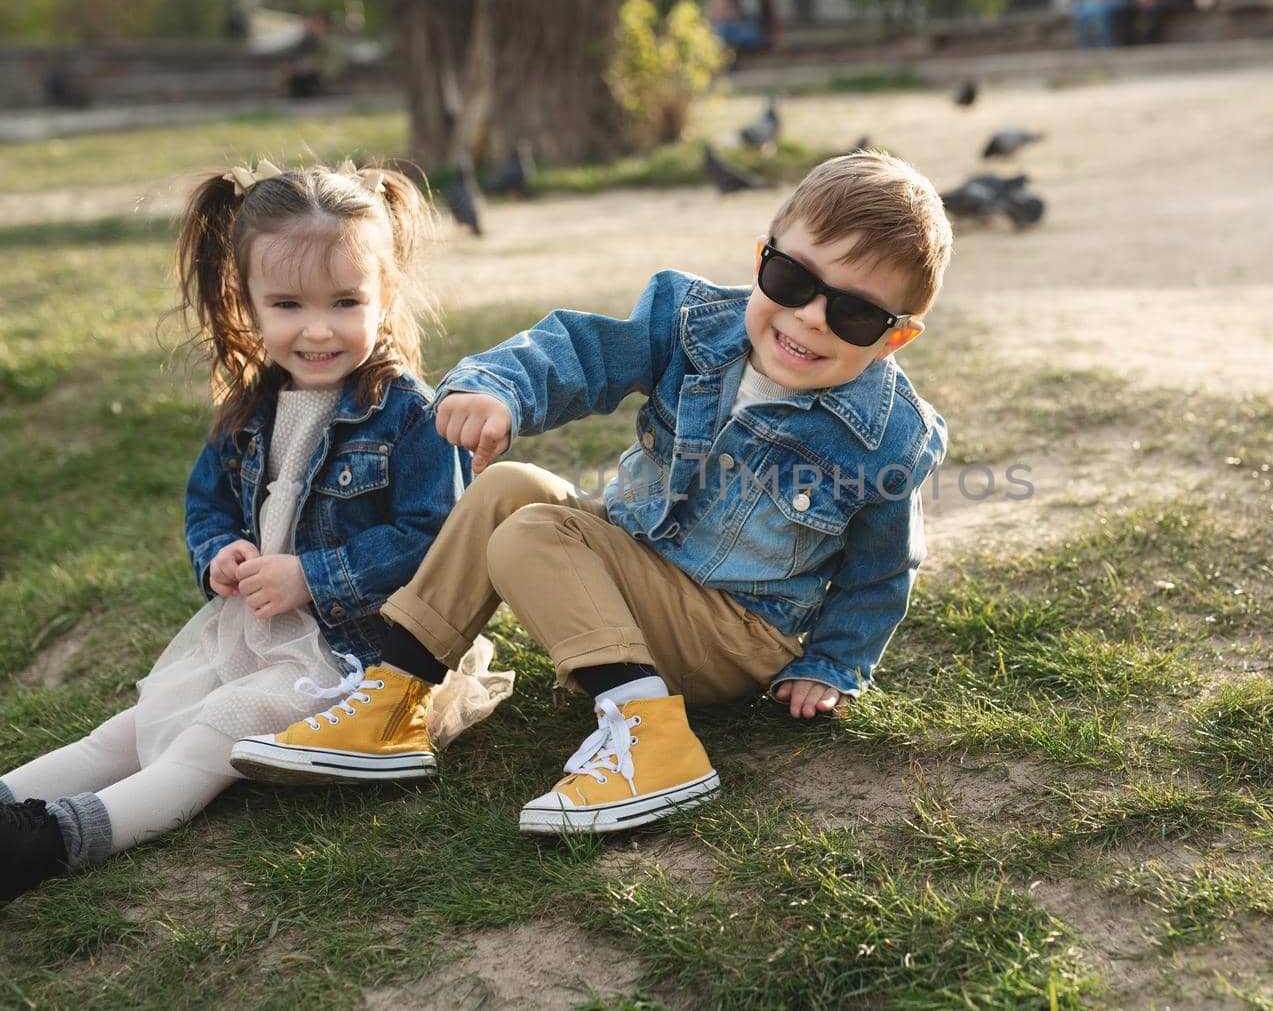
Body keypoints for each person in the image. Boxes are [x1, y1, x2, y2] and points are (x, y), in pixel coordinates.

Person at [230, 151, 953, 835]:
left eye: (854, 314)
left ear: (894, 338)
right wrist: (499, 390)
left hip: (735, 633)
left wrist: (831, 663)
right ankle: (393, 701)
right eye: (794, 280)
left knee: (531, 534)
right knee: (508, 491)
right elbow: (580, 351)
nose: (811, 317)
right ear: (763, 257)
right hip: (637, 570)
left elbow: (882, 565)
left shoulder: (887, 433)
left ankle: (654, 742)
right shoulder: (694, 321)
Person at [0, 161, 495, 900]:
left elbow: (437, 540)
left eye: (346, 301)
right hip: (257, 631)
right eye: (289, 304)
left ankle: (55, 840)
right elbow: (209, 507)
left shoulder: (410, 415)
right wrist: (220, 555)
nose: (318, 328)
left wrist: (311, 573)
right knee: (136, 727)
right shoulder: (248, 410)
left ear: (385, 296)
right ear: (249, 304)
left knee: (210, 738)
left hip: (357, 652)